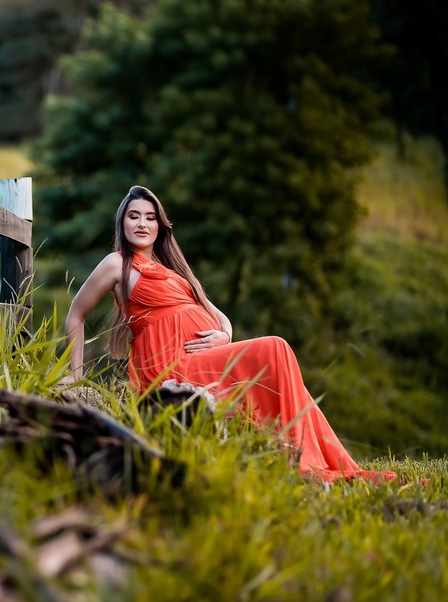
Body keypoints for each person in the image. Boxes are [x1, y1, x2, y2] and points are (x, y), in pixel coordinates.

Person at [64, 185, 395, 484]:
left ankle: (309, 456)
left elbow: (217, 314)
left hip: (199, 357)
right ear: (122, 223)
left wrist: (225, 334)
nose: (142, 224)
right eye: (134, 216)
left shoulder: (173, 270)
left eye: (150, 217)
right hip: (169, 365)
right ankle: (302, 461)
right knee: (276, 348)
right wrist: (76, 376)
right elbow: (76, 314)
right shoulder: (116, 264)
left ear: (160, 226)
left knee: (279, 362)